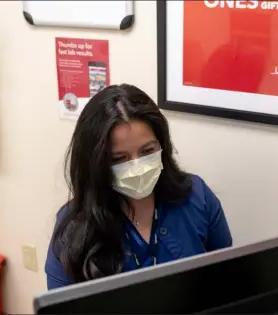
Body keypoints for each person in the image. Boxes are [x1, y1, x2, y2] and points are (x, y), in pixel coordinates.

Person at [45, 84, 233, 289]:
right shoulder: (74, 226)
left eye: (147, 151)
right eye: (119, 159)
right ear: (95, 164)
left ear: (162, 146)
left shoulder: (197, 196)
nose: (136, 167)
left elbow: (227, 280)